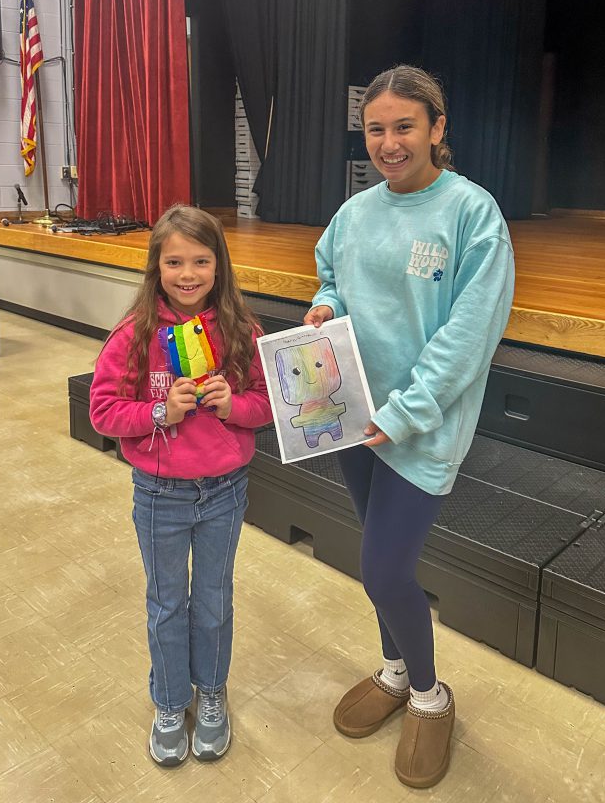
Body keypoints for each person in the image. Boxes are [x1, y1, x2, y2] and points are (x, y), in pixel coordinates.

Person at [304, 65, 515, 789]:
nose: (390, 143)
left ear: (437, 128)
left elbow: (469, 334)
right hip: (356, 418)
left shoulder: (472, 214)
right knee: (378, 561)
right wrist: (325, 307)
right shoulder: (355, 212)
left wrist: (406, 414)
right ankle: (394, 672)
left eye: (404, 127)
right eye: (376, 129)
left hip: (420, 427)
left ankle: (430, 695)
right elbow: (329, 271)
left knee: (384, 569)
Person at [90, 205, 272, 767]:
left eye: (200, 260)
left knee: (214, 602)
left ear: (219, 266)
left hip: (224, 490)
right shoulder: (134, 335)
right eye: (174, 262)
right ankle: (170, 702)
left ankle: (211, 692)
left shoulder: (242, 331)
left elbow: (267, 405)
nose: (187, 274)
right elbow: (103, 411)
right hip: (159, 495)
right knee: (167, 602)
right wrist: (157, 413)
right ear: (156, 266)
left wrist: (234, 405)